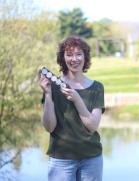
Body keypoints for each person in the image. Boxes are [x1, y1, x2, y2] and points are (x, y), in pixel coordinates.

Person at [39, 36, 105, 181]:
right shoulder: (53, 85)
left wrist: (77, 99)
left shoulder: (97, 88)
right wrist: (48, 94)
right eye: (69, 54)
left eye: (78, 54)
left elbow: (92, 126)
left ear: (85, 57)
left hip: (91, 158)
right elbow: (49, 127)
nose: (74, 59)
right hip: (61, 159)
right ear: (63, 58)